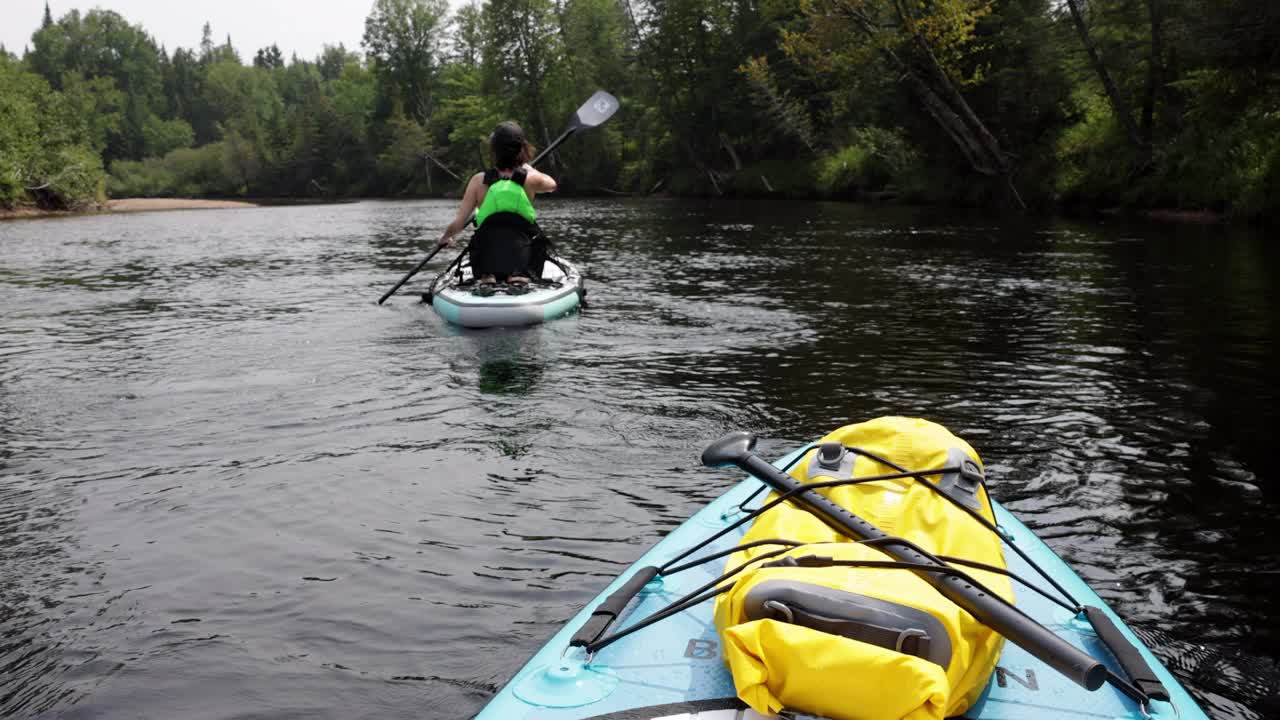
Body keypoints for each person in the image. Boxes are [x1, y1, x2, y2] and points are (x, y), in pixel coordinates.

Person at [437, 121, 557, 286]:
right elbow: (552, 185)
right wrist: (529, 169)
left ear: (494, 151)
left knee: (487, 240)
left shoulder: (479, 181)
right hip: (522, 258)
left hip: (486, 261)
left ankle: (489, 276)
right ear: (522, 149)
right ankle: (516, 275)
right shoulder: (530, 179)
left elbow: (458, 223)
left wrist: (445, 237)